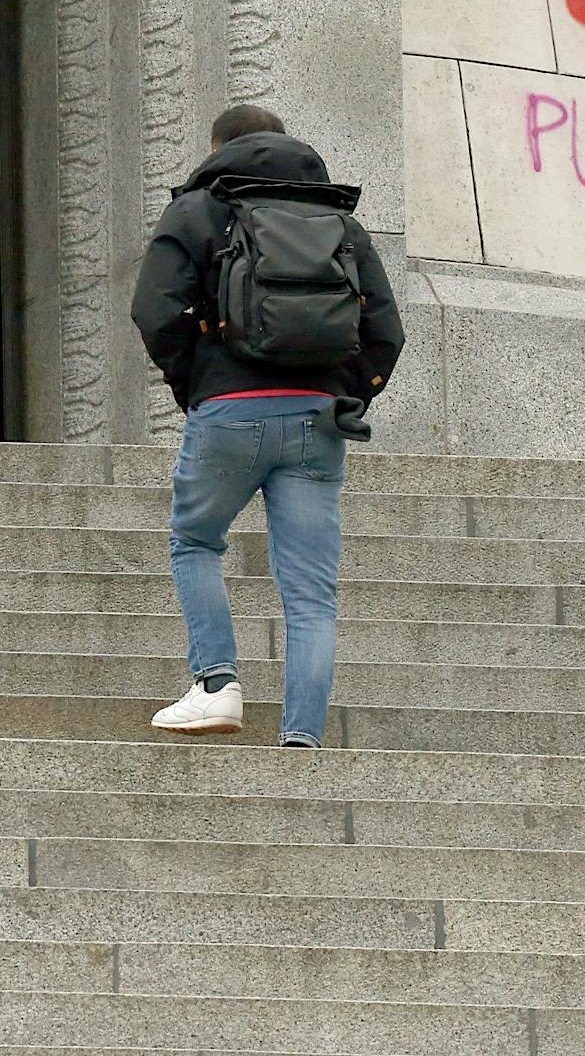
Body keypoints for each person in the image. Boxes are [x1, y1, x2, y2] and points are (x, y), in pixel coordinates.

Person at [130, 105, 405, 748]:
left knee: (196, 541)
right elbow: (385, 329)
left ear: (219, 146)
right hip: (318, 418)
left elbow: (154, 309)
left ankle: (216, 685)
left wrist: (196, 386)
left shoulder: (198, 209)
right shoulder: (338, 221)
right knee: (310, 590)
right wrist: (349, 394)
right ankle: (302, 736)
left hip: (228, 408)